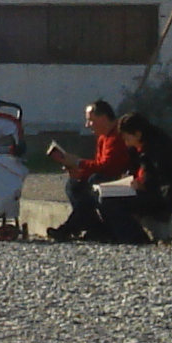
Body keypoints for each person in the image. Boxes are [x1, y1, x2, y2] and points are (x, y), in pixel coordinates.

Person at [44, 100, 140, 243]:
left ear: (103, 118)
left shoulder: (117, 136)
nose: (87, 125)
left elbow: (108, 166)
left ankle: (69, 228)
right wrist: (78, 170)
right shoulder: (103, 137)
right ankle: (95, 229)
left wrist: (78, 163)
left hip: (123, 179)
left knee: (94, 182)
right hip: (108, 175)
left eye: (90, 121)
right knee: (74, 185)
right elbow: (99, 164)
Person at [118, 112, 172, 239]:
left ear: (138, 134)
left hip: (166, 196)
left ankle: (133, 236)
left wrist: (142, 184)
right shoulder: (137, 146)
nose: (126, 143)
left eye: (127, 139)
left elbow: (161, 178)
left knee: (122, 203)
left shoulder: (159, 146)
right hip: (150, 191)